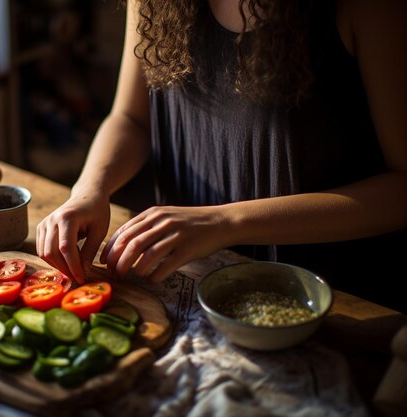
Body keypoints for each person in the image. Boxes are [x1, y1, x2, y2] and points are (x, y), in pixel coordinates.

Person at [36, 0, 407, 313]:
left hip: (322, 300)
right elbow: (131, 118)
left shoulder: (367, 8)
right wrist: (89, 191)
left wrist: (226, 222)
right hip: (188, 278)